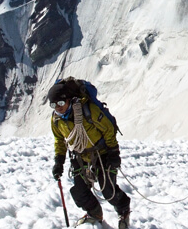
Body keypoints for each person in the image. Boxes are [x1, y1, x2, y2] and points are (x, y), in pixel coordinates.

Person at [49, 79, 131, 229]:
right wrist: (58, 162)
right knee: (79, 193)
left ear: (69, 99)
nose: (58, 108)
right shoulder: (56, 120)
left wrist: (114, 153)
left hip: (102, 153)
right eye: (53, 105)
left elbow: (108, 129)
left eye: (60, 103)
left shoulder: (88, 110)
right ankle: (95, 213)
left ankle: (123, 209)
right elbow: (60, 140)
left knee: (108, 190)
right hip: (79, 156)